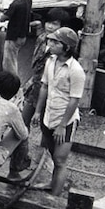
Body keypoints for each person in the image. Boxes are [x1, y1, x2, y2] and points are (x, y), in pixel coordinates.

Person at [33, 27, 85, 196]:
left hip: (65, 120)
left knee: (60, 160)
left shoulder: (76, 70)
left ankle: (54, 197)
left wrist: (63, 125)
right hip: (48, 115)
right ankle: (52, 183)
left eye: (56, 42)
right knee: (51, 153)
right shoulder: (50, 62)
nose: (51, 44)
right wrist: (37, 111)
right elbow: (45, 87)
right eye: (51, 41)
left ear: (66, 47)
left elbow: (74, 100)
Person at [21, 8, 71, 127]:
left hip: (52, 93)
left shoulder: (63, 50)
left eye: (54, 24)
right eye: (48, 22)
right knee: (23, 122)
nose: (49, 26)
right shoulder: (42, 39)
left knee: (47, 126)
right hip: (35, 87)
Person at [1, 0, 32, 76]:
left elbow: (2, 18)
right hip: (22, 36)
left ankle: (13, 86)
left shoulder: (16, 4)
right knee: (14, 59)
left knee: (9, 64)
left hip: (13, 37)